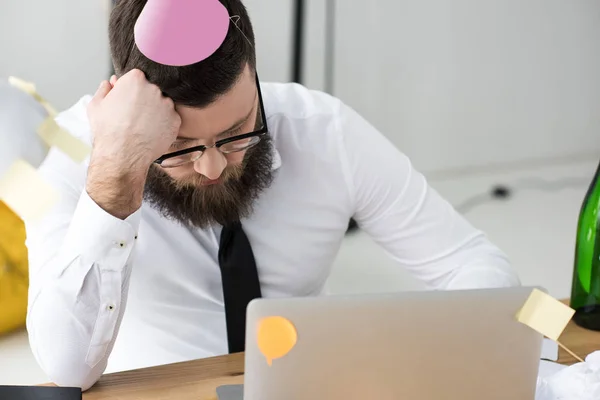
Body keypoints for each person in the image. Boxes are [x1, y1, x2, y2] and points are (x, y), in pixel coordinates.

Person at [25, 0, 519, 391]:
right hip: (155, 390)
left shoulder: (326, 131)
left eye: (238, 131)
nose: (214, 165)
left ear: (255, 79)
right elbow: (68, 371)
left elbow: (470, 260)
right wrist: (117, 172)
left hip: (310, 383)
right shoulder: (75, 157)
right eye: (178, 147)